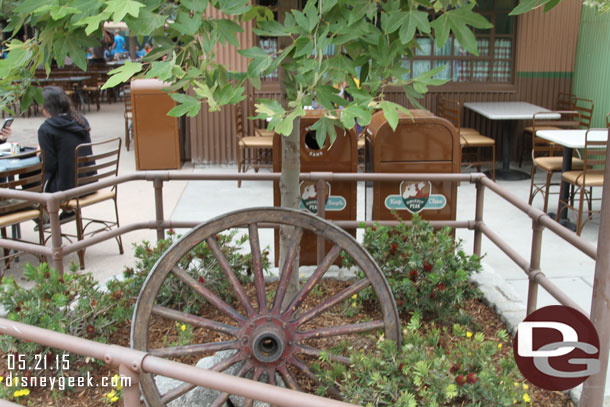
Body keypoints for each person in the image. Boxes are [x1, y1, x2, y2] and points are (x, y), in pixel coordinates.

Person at [38, 86, 94, 223]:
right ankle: (65, 212)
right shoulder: (81, 120)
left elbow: (49, 165)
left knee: (28, 178)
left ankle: (46, 218)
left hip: (65, 189)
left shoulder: (47, 128)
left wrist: (39, 154)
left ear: (46, 107)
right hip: (89, 184)